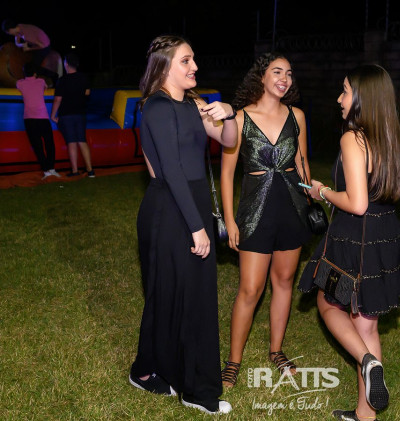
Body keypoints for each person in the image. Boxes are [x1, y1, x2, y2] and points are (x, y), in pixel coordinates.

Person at [298, 64, 400, 421]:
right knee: (366, 325)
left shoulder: (353, 139)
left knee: (327, 303)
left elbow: (357, 203)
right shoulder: (397, 139)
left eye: (345, 91)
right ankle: (365, 415)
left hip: (356, 239)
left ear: (363, 97)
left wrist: (323, 192)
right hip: (387, 235)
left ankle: (367, 361)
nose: (340, 99)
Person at [128, 34, 237, 415]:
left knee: (190, 297)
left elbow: (228, 141)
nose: (195, 67)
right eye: (186, 61)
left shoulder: (194, 105)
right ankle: (179, 383)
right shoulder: (156, 107)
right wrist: (197, 226)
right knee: (171, 294)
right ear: (164, 66)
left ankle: (160, 373)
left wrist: (228, 115)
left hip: (192, 205)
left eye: (193, 60)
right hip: (169, 209)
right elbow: (171, 170)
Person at [219, 52, 312, 388]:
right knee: (250, 289)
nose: (284, 78)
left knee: (284, 281)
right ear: (261, 76)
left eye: (289, 73)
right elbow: (227, 173)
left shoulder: (297, 116)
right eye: (277, 72)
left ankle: (276, 351)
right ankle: (233, 361)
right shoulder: (239, 118)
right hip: (255, 212)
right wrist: (230, 220)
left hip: (291, 208)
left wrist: (312, 198)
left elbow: (302, 164)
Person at [50, 53, 94, 177]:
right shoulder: (84, 78)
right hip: (80, 113)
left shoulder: (63, 80)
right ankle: (90, 170)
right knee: (82, 140)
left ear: (66, 64)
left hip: (66, 114)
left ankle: (75, 171)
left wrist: (52, 115)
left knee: (71, 142)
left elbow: (57, 99)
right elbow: (87, 93)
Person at [16, 62, 60, 179]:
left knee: (37, 146)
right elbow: (46, 87)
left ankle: (46, 170)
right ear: (35, 73)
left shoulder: (20, 83)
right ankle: (51, 168)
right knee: (49, 143)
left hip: (29, 119)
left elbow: (20, 85)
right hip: (43, 117)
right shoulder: (41, 82)